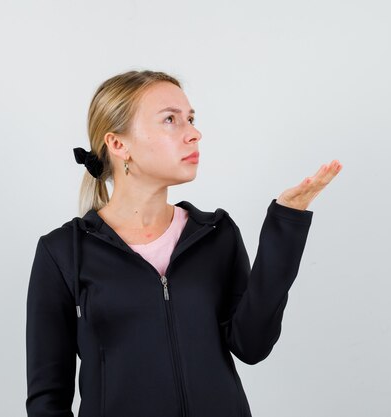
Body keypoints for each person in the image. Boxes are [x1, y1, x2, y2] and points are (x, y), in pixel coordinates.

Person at [25, 69, 342, 417]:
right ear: (118, 144)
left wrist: (286, 225)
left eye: (190, 118)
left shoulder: (215, 235)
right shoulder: (63, 253)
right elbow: (47, 399)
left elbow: (253, 345)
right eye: (170, 120)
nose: (194, 133)